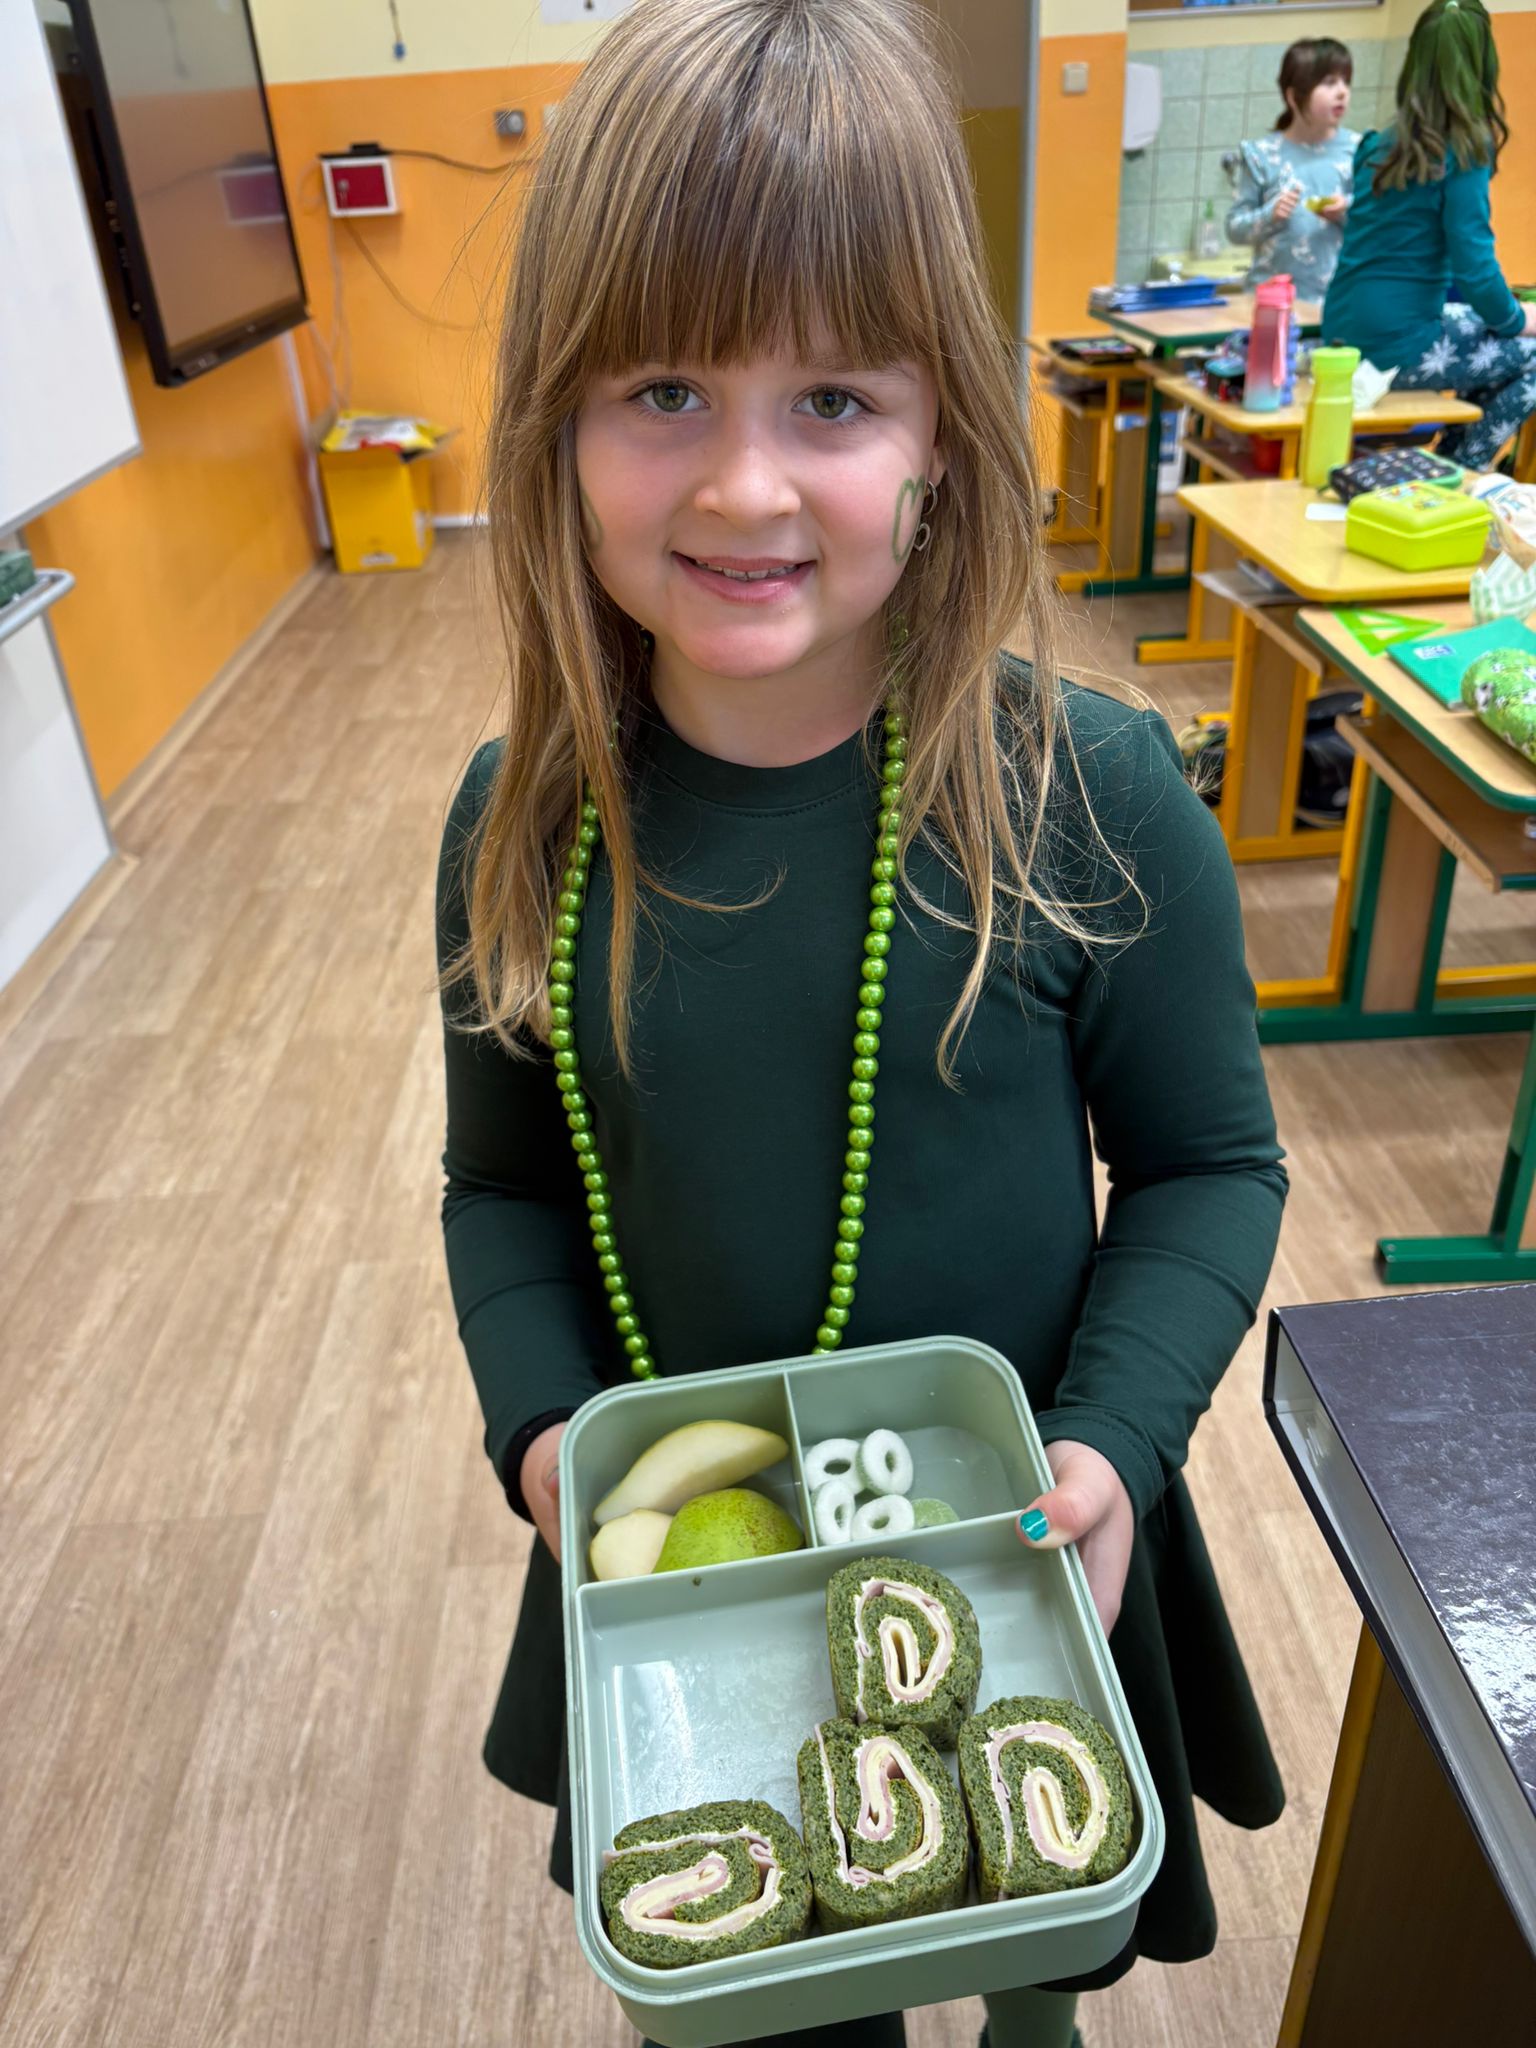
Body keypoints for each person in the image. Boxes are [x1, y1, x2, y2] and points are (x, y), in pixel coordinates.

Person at [435, 3, 1288, 2045]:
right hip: (694, 1568)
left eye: (832, 396)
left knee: (1030, 1913)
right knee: (765, 1993)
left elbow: (1207, 1164)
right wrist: (548, 1437)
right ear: (556, 425)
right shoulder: (523, 819)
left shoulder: (1092, 793)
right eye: (661, 387)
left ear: (943, 434)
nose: (744, 484)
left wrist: (1112, 1439)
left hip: (1023, 1544)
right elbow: (500, 1187)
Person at [1324, 0, 1536, 472]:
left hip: (1343, 327)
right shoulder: (1464, 149)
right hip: (1396, 345)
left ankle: (1447, 461)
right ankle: (1462, 471)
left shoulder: (1376, 145)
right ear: (1482, 64)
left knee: (1482, 334)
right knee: (1531, 352)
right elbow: (1475, 269)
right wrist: (1517, 317)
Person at [1226, 37, 1359, 300]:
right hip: (1270, 303)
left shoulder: (1358, 150)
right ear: (1294, 95)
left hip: (1335, 302)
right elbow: (1234, 229)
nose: (1342, 92)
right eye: (1329, 82)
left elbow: (1378, 223)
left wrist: (1347, 209)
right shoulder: (1261, 154)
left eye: (1346, 81)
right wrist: (1269, 215)